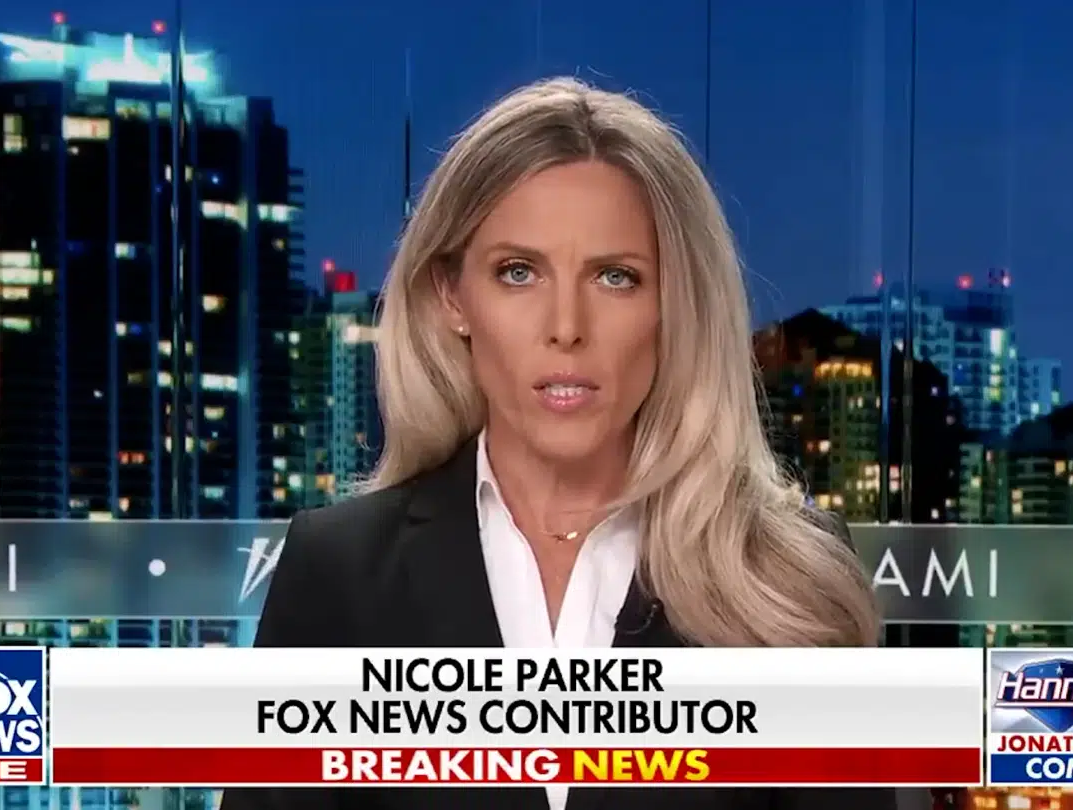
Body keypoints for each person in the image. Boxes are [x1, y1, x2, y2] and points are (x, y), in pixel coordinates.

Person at [221, 78, 907, 810]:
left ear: (673, 305)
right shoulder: (339, 572)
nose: (567, 327)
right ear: (453, 296)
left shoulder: (786, 580)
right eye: (518, 273)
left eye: (616, 277)